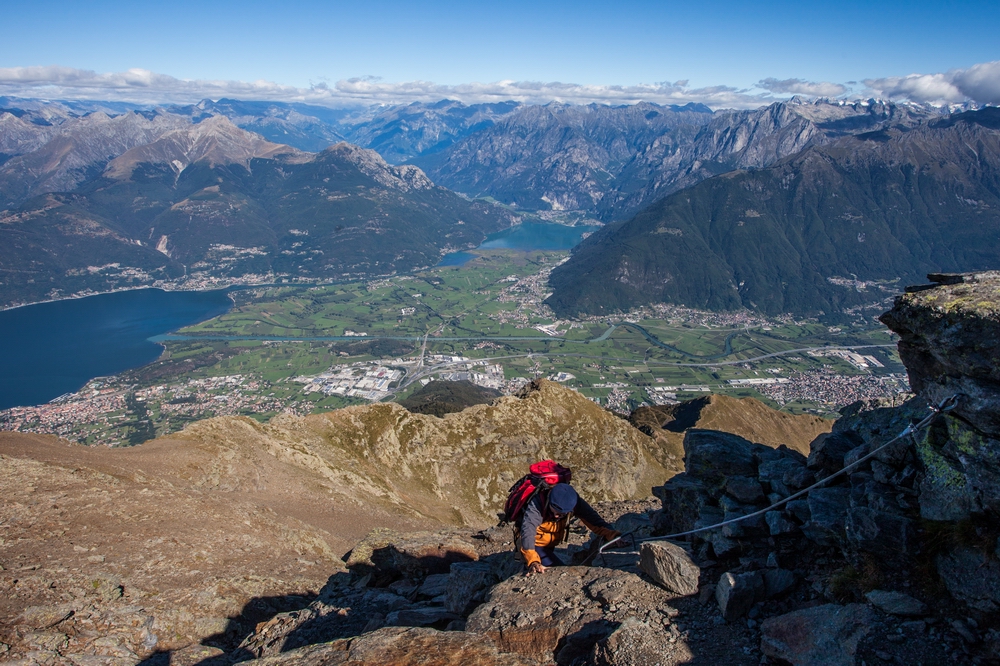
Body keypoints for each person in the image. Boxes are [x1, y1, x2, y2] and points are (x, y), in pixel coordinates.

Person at [516, 482, 620, 574]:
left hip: (548, 543)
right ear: (549, 499)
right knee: (556, 571)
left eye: (562, 514)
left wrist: (614, 535)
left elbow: (594, 520)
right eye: (555, 511)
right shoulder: (537, 504)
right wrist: (533, 560)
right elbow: (528, 531)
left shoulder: (574, 502)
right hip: (534, 545)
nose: (557, 516)